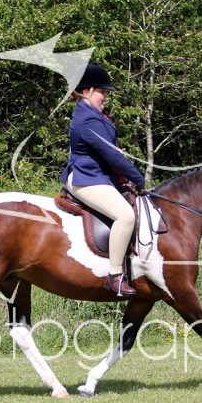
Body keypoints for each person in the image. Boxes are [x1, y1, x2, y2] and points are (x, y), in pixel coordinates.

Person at [61, 63, 145, 296]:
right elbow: (111, 155)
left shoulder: (93, 115)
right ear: (85, 91)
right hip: (86, 177)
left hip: (97, 175)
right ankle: (115, 276)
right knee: (125, 216)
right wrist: (137, 178)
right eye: (102, 92)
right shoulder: (88, 119)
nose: (106, 97)